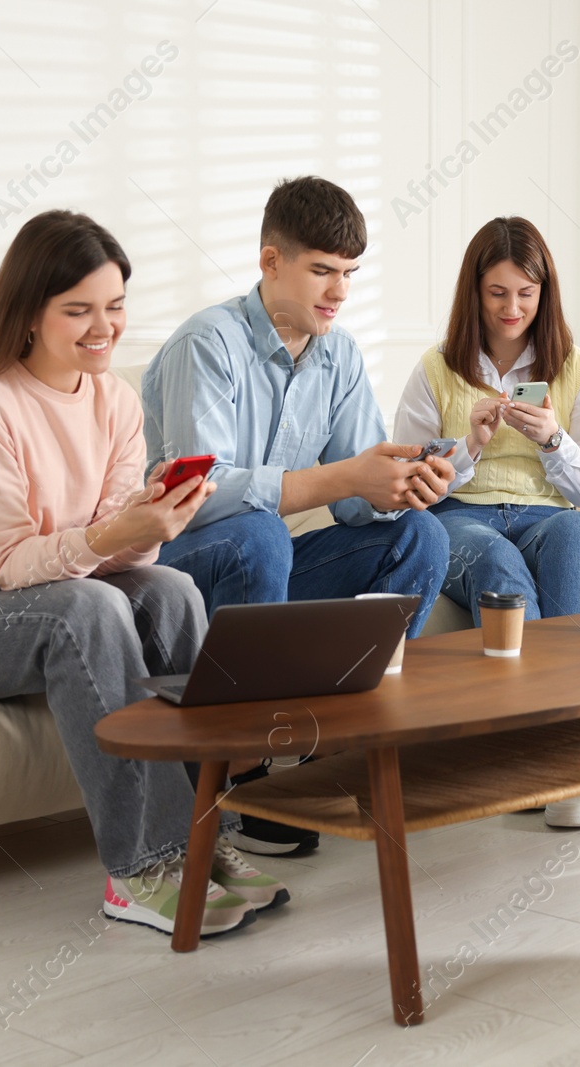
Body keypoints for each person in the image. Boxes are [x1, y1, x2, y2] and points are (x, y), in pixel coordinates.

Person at [0, 210, 287, 939]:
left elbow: (118, 558)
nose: (104, 326)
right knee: (81, 611)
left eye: (115, 306)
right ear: (31, 313)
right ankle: (143, 868)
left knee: (175, 590)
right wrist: (111, 532)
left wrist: (152, 524)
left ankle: (207, 844)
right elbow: (3, 565)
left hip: (31, 595)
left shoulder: (116, 400)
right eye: (79, 310)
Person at [142, 176, 451, 855]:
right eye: (322, 271)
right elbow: (197, 497)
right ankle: (244, 783)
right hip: (177, 572)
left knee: (422, 537)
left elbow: (349, 499)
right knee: (255, 535)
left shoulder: (339, 354)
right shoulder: (208, 344)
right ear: (271, 262)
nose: (339, 291)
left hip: (265, 574)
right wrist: (348, 474)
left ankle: (329, 753)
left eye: (348, 273)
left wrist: (397, 485)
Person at [394, 216, 580, 829]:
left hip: (550, 514)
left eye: (525, 293)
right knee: (499, 562)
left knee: (578, 538)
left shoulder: (574, 368)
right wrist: (468, 443)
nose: (512, 308)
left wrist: (555, 442)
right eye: (497, 293)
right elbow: (407, 478)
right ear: (475, 293)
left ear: (544, 293)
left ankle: (570, 758)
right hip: (461, 518)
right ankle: (537, 749)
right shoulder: (437, 369)